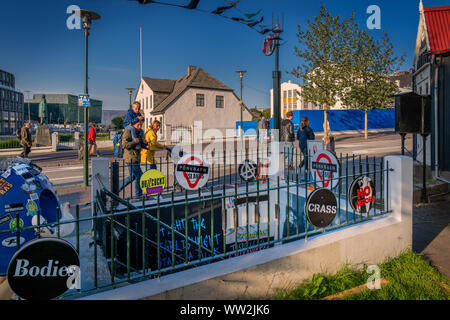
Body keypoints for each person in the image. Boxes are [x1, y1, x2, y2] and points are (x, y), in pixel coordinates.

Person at [118, 119, 146, 198]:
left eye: (141, 125)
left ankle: (116, 188)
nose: (139, 127)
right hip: (130, 157)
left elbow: (140, 145)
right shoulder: (128, 131)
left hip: (136, 157)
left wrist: (144, 143)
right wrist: (134, 142)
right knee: (139, 175)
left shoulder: (140, 132)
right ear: (133, 125)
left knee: (133, 176)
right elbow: (124, 145)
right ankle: (138, 195)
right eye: (138, 125)